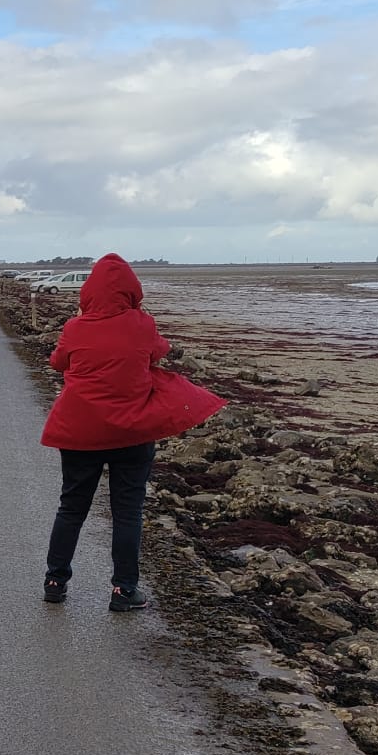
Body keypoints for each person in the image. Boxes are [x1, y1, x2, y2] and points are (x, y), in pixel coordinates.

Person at [40, 254, 225, 611]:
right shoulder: (142, 323)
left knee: (72, 507)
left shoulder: (76, 327)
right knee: (127, 512)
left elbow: (57, 362)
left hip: (80, 432)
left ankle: (55, 581)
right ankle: (124, 590)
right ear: (131, 290)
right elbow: (160, 352)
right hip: (133, 432)